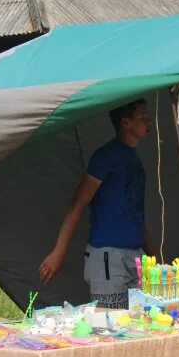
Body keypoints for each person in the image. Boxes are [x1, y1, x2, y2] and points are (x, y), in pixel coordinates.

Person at [39, 99, 154, 309]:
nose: (149, 121)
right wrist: (59, 251)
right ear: (126, 123)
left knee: (142, 321)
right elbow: (78, 203)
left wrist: (153, 255)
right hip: (108, 256)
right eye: (143, 117)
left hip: (137, 255)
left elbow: (135, 212)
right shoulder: (105, 157)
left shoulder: (135, 158)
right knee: (109, 322)